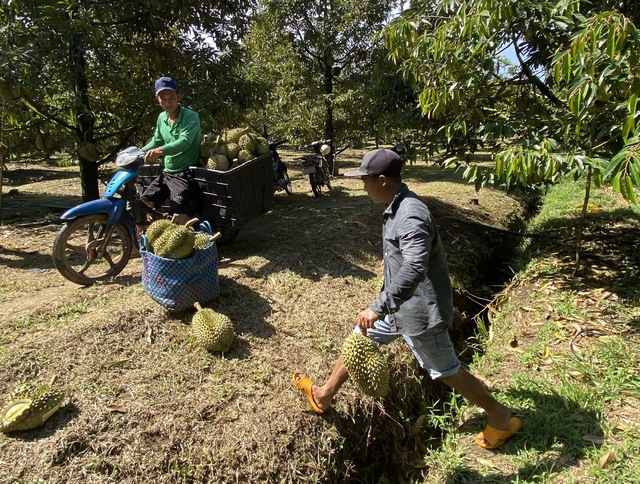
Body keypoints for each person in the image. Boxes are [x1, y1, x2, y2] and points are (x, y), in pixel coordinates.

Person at [293, 149, 521, 450]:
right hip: (398, 306)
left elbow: (415, 267)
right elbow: (407, 257)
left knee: (446, 370)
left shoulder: (411, 214)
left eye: (365, 180)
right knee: (360, 337)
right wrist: (390, 263)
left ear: (383, 180)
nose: (362, 186)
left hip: (419, 312)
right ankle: (323, 395)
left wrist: (378, 306)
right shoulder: (394, 206)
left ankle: (500, 415)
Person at [141, 76, 202, 225]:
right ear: (157, 98)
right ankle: (138, 245)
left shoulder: (191, 117)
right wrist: (138, 152)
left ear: (179, 95)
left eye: (171, 98)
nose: (168, 103)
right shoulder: (162, 118)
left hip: (185, 174)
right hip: (167, 173)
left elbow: (184, 142)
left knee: (179, 215)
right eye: (163, 99)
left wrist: (160, 151)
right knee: (144, 204)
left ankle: (198, 245)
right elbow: (157, 140)